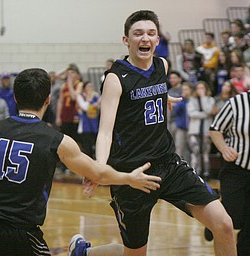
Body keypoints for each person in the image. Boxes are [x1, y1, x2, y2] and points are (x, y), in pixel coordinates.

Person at [73, 10, 237, 256]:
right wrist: (98, 168)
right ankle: (85, 253)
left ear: (158, 40)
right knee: (135, 254)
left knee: (224, 224)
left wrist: (161, 97)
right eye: (138, 34)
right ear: (126, 40)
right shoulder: (116, 79)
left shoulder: (162, 65)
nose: (145, 38)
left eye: (151, 33)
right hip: (131, 173)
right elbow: (105, 131)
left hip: (168, 164)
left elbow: (148, 91)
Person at [0, 68, 162, 256]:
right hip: (21, 234)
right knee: (119, 252)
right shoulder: (57, 141)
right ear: (47, 100)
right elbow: (98, 174)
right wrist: (129, 178)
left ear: (16, 99)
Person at [207, 61, 250, 256]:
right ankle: (213, 221)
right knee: (234, 219)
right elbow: (215, 129)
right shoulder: (236, 103)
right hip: (236, 170)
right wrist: (224, 148)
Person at [187, 81, 215, 178]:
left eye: (202, 88)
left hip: (206, 131)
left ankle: (206, 172)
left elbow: (209, 110)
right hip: (194, 131)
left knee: (206, 153)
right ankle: (195, 172)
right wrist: (204, 115)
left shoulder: (210, 99)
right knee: (195, 152)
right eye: (198, 88)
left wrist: (203, 98)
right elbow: (191, 113)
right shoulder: (192, 99)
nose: (200, 90)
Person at [76, 81, 101, 158]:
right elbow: (85, 107)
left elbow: (100, 108)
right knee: (87, 147)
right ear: (84, 88)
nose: (90, 88)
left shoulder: (96, 96)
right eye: (88, 86)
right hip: (85, 125)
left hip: (95, 123)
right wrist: (89, 99)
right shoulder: (80, 96)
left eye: (92, 86)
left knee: (96, 146)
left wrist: (97, 103)